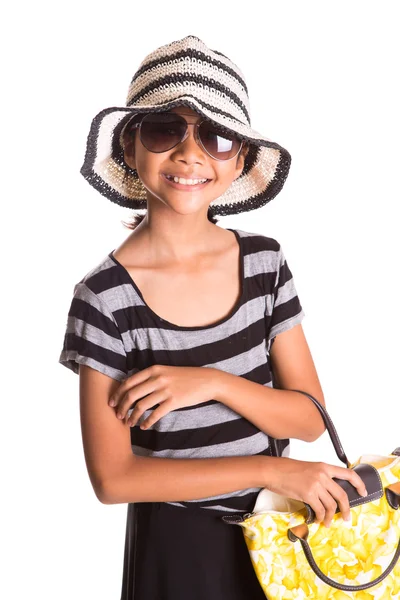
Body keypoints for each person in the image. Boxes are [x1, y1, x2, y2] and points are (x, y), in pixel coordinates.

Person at [58, 35, 368, 600]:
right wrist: (269, 471)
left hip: (282, 532)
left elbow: (307, 418)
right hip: (176, 550)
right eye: (163, 130)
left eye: (217, 137)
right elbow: (113, 478)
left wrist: (209, 384)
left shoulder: (264, 263)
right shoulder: (103, 299)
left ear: (241, 158)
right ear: (130, 148)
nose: (190, 154)